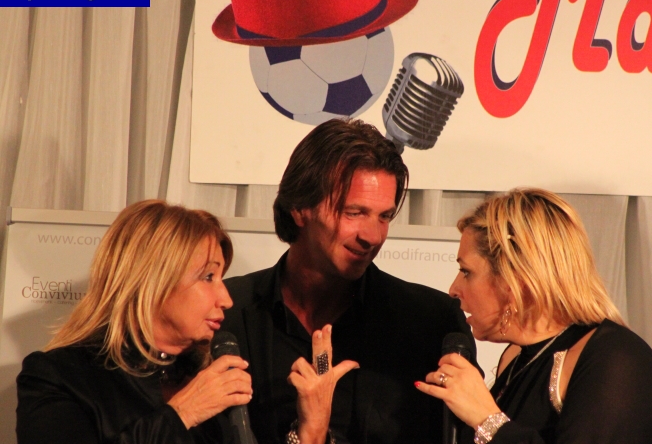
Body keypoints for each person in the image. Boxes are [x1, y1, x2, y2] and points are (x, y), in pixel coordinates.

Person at [221, 118, 479, 444]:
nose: (372, 236)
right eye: (354, 213)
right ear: (299, 208)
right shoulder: (225, 315)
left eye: (384, 216)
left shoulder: (433, 322)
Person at [416, 188, 652, 444]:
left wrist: (486, 418)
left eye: (466, 271)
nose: (453, 289)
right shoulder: (514, 356)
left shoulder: (618, 359)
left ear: (515, 278)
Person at [16, 200, 253, 444]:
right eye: (208, 277)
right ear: (153, 281)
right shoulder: (59, 376)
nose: (226, 300)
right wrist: (184, 413)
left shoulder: (212, 376)